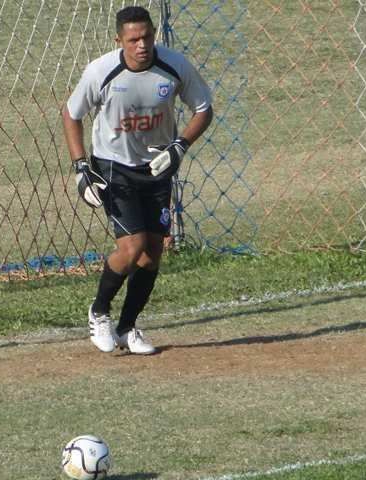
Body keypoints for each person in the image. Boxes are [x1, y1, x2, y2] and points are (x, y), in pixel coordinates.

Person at [62, 5, 213, 355]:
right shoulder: (101, 71)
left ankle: (127, 327)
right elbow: (72, 115)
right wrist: (81, 167)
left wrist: (181, 146)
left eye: (147, 37)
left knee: (152, 255)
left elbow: (203, 109)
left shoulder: (174, 66)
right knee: (131, 249)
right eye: (133, 39)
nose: (142, 45)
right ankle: (99, 312)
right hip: (114, 167)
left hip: (158, 168)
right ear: (120, 41)